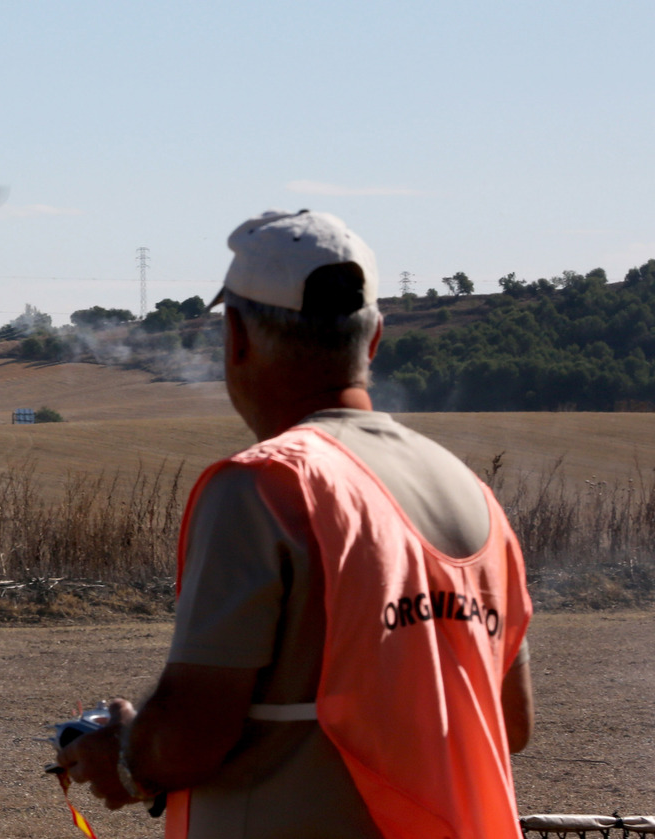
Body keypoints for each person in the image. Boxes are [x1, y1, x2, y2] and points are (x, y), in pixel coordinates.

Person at [56, 210, 534, 839]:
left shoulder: (261, 488)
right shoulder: (471, 494)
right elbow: (513, 720)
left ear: (236, 339)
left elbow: (191, 735)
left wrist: (122, 750)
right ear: (375, 340)